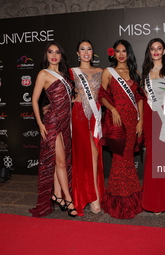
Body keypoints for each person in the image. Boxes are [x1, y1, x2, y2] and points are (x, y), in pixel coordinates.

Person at [30, 41, 77, 217]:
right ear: (46, 55)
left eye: (57, 52)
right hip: (52, 122)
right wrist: (40, 124)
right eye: (50, 52)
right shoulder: (43, 74)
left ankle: (57, 195)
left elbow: (64, 99)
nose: (54, 55)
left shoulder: (65, 75)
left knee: (61, 161)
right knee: (61, 161)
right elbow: (34, 100)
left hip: (66, 122)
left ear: (61, 55)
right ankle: (68, 198)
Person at [99, 39, 144, 219]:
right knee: (119, 159)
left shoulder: (135, 73)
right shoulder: (108, 72)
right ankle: (118, 202)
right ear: (113, 54)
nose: (121, 54)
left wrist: (140, 119)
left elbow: (140, 97)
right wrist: (112, 109)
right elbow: (101, 95)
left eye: (124, 51)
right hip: (116, 121)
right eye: (117, 51)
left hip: (133, 120)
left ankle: (131, 200)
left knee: (127, 160)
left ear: (128, 53)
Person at [140, 38, 165, 214]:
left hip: (164, 115)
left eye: (159, 48)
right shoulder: (145, 72)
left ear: (164, 51)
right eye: (152, 49)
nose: (155, 51)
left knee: (161, 157)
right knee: (152, 156)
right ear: (149, 51)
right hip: (149, 115)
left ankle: (164, 201)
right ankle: (152, 199)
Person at [69, 39, 104, 216]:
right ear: (77, 53)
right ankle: (93, 196)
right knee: (90, 153)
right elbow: (60, 92)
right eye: (82, 49)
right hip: (79, 113)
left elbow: (107, 94)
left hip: (96, 115)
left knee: (94, 153)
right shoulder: (71, 72)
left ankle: (91, 192)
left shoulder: (101, 71)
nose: (86, 52)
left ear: (93, 52)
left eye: (89, 49)